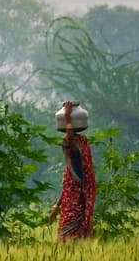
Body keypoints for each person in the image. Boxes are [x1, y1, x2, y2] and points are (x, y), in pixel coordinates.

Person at [48, 101, 97, 241]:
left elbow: (70, 137)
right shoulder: (70, 169)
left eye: (66, 146)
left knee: (70, 238)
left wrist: (68, 116)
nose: (65, 149)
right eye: (64, 146)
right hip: (68, 207)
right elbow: (66, 190)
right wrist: (57, 206)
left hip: (76, 208)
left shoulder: (75, 155)